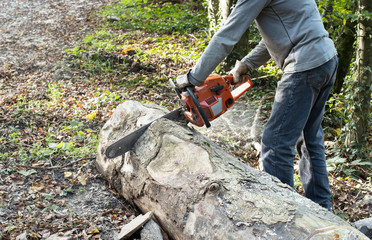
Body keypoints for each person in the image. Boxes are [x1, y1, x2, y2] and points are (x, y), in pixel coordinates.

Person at [175, 0, 338, 211]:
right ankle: (323, 209)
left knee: (275, 144)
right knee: (310, 138)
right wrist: (247, 64)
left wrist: (194, 77)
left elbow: (227, 36)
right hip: (326, 59)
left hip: (303, 66)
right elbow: (283, 35)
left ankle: (283, 216)